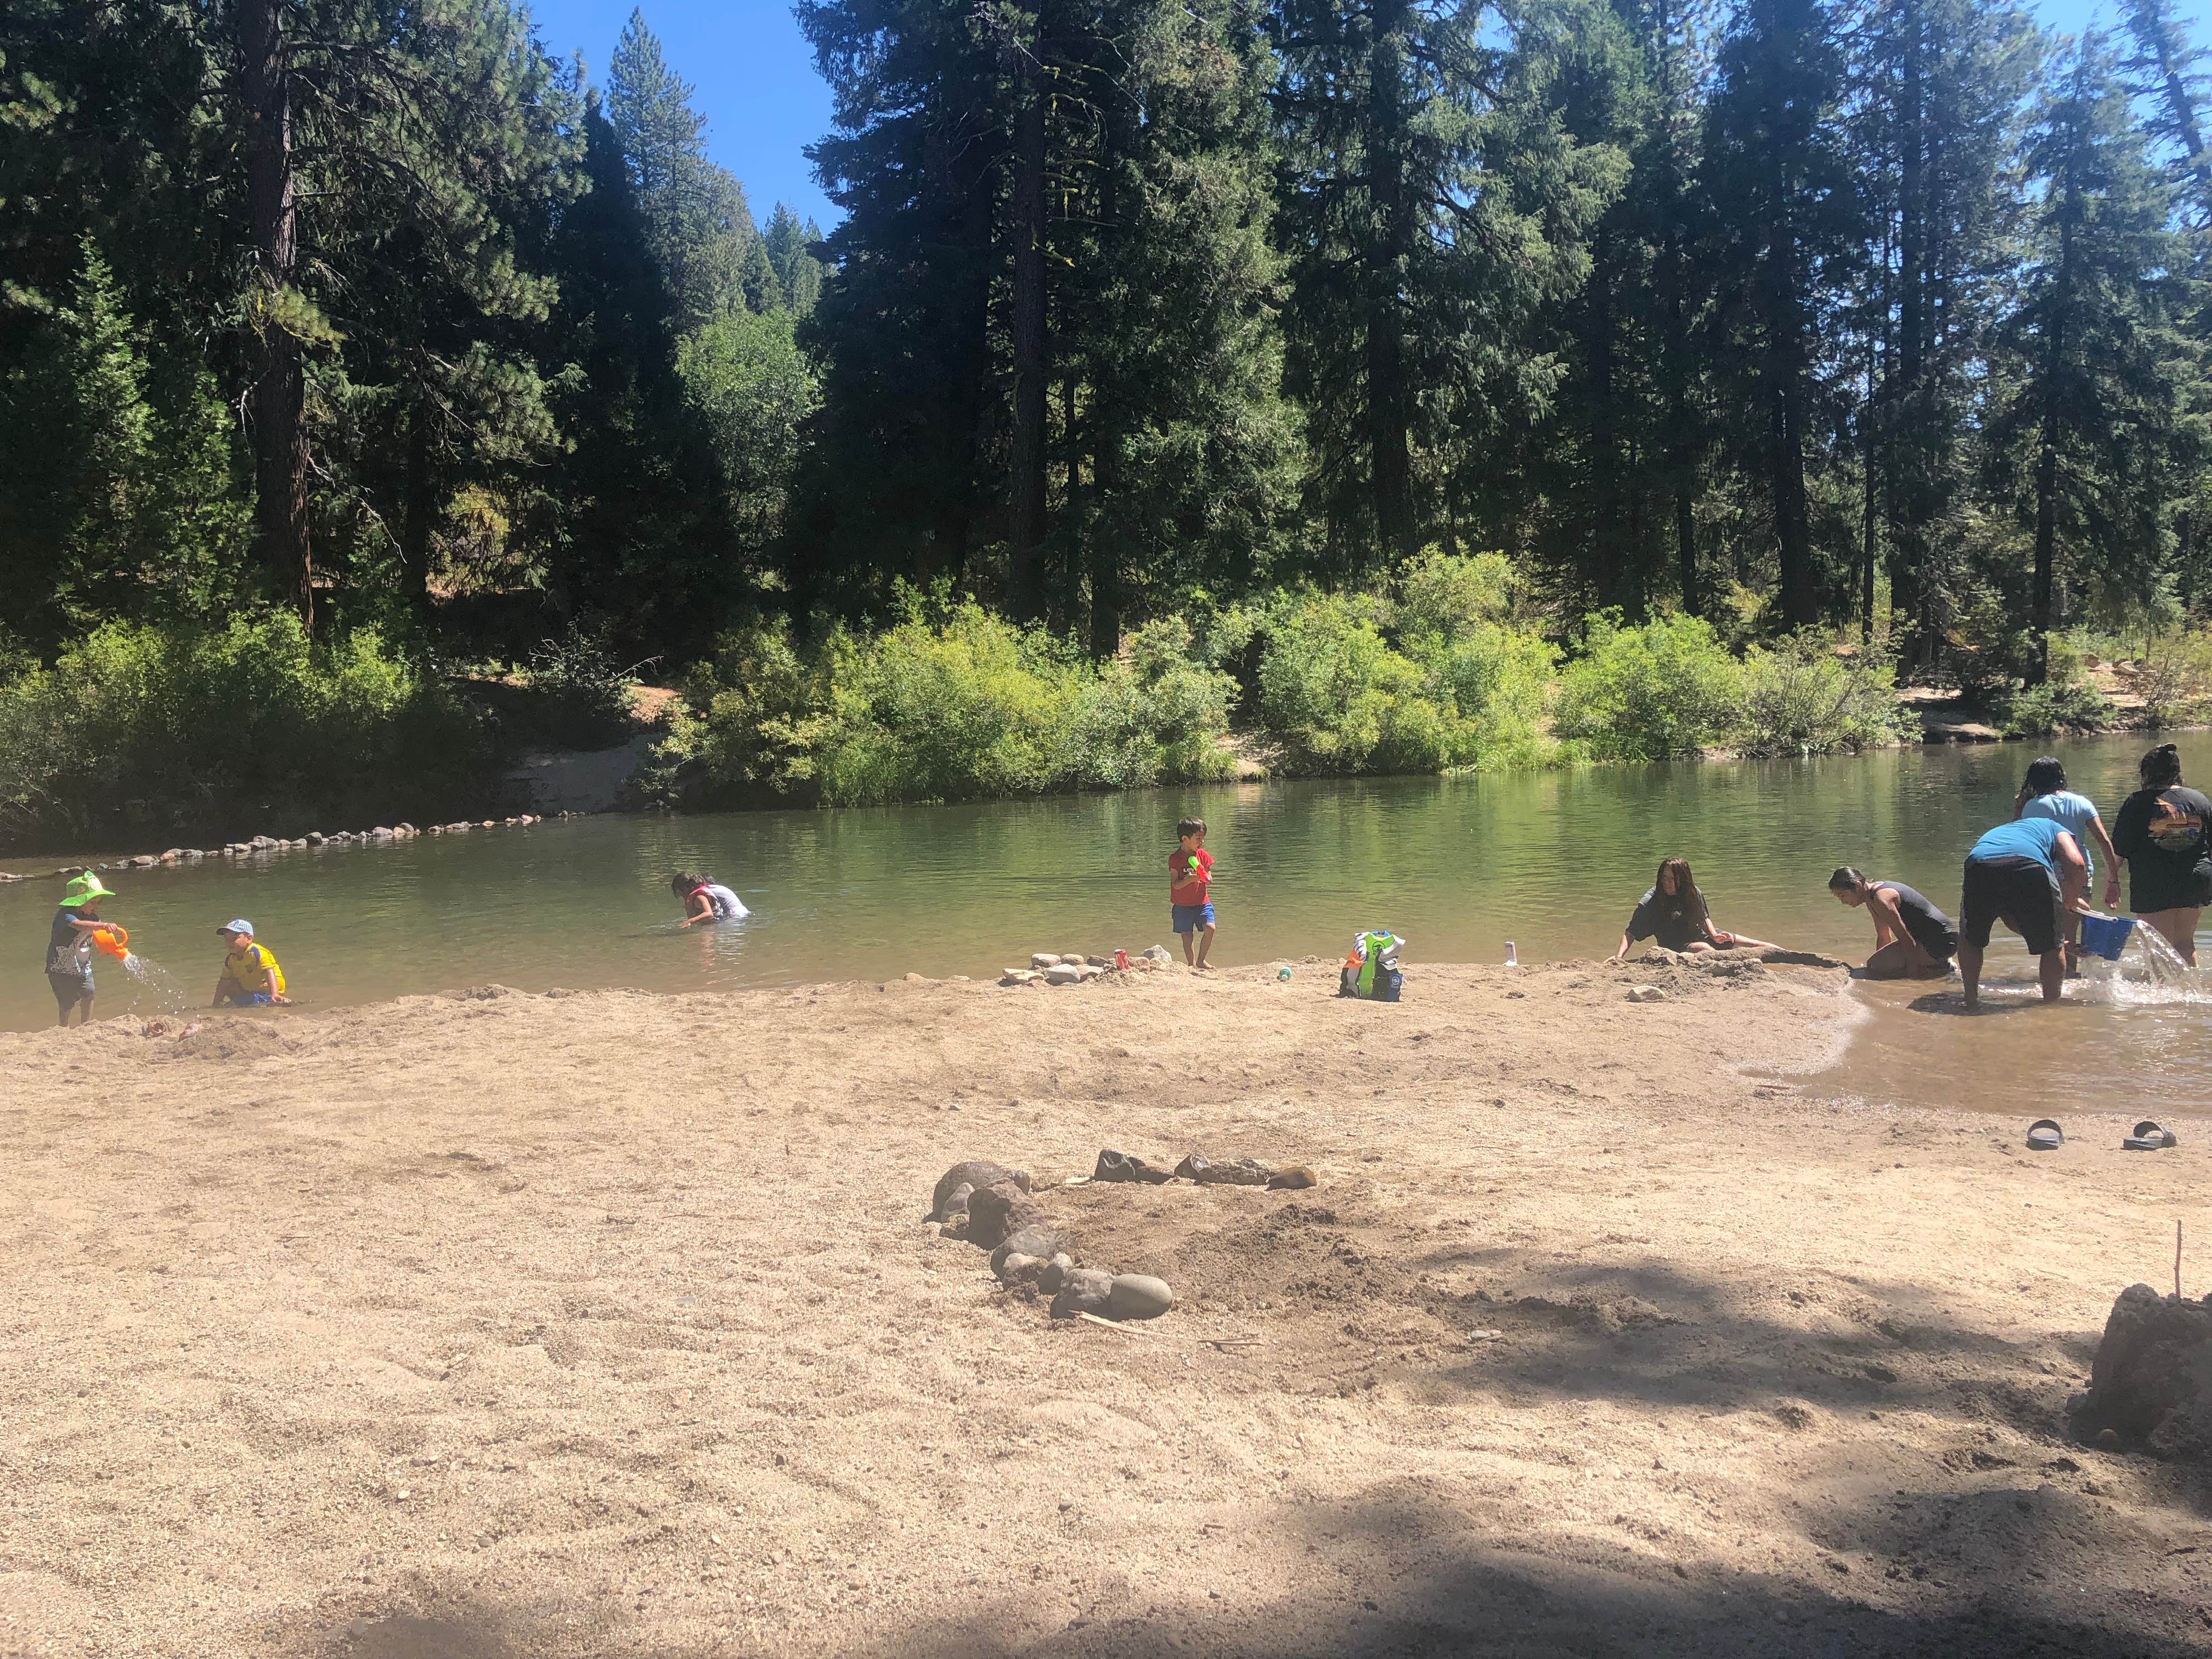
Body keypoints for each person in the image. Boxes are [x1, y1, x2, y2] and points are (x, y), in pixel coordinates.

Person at [1957, 815, 2089, 1009]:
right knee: (2052, 948)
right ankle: (2050, 1008)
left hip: (1979, 866)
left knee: (1971, 939)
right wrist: (2070, 902)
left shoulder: (2001, 832)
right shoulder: (2054, 827)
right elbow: (2077, 864)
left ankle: (1970, 1001)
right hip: (2030, 866)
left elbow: (2010, 913)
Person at [2014, 755, 2122, 965]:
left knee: (2055, 936)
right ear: (2061, 776)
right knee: (2071, 932)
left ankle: (2060, 984)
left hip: (2048, 874)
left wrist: (2018, 809)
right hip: (2080, 871)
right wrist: (2113, 881)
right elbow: (2105, 842)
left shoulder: (2033, 806)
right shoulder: (2082, 802)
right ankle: (2073, 980)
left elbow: (2016, 837)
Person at [2112, 742, 2212, 966]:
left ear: (2146, 773)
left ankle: (2160, 1000)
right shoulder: (2199, 800)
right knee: (2185, 943)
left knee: (2157, 947)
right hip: (2196, 879)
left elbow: (2118, 848)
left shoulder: (2136, 803)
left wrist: (2112, 880)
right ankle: (2190, 995)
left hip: (2153, 880)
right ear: (2177, 772)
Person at [1608, 856, 1776, 961]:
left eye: (1672, 879)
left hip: (1700, 933)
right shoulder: (1651, 901)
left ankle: (1786, 953)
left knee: (1751, 943)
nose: (1667, 883)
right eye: (1664, 878)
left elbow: (1703, 917)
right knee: (1706, 950)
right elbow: (1631, 932)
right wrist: (1619, 957)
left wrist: (1714, 935)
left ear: (1683, 880)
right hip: (1675, 944)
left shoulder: (1693, 892)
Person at [1826, 867, 1957, 979]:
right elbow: (1883, 935)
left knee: (1881, 967)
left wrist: (1913, 976)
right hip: (1930, 938)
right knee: (1876, 965)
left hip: (1942, 941)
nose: (1843, 902)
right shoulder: (1871, 897)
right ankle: (1935, 963)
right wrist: (1881, 964)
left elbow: (1906, 939)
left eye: (1843, 896)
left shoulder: (1882, 899)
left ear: (1858, 886)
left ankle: (1942, 969)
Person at [46, 871, 117, 1028]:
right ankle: (63, 1027)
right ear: (79, 901)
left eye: (98, 902)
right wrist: (104, 925)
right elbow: (78, 925)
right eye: (93, 902)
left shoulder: (94, 918)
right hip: (61, 968)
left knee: (89, 992)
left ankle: (86, 1025)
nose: (96, 906)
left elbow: (99, 936)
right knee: (67, 1002)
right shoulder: (65, 915)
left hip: (83, 966)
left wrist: (111, 946)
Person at [1170, 817, 1215, 969]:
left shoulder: (1203, 856)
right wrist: (1189, 880)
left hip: (1202, 902)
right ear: (1185, 839)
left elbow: (1209, 878)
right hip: (1182, 905)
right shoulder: (1175, 859)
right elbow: (1175, 885)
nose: (1201, 842)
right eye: (1198, 839)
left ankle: (1201, 960)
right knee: (1187, 935)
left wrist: (1205, 878)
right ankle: (1191, 964)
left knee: (1210, 928)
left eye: (1203, 839)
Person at [212, 919, 290, 1007]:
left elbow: (269, 971)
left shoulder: (256, 952)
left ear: (249, 939)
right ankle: (243, 1003)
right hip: (250, 988)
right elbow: (224, 982)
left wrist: (275, 994)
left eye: (234, 938)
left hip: (267, 988)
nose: (229, 942)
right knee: (229, 985)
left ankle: (269, 999)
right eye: (227, 939)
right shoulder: (231, 959)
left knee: (237, 1003)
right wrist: (216, 1003)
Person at [671, 871, 748, 927]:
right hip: (741, 911)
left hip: (734, 914)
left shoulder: (701, 894)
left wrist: (690, 921)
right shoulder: (708, 890)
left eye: (680, 893)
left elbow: (709, 914)